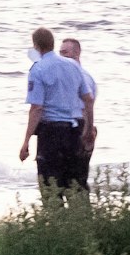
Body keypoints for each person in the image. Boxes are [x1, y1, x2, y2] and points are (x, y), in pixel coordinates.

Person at [18, 26, 93, 202]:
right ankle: (81, 224)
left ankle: (55, 223)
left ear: (36, 46)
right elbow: (88, 99)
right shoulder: (73, 66)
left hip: (51, 132)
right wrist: (88, 130)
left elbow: (37, 108)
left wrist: (26, 141)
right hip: (75, 130)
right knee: (75, 184)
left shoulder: (38, 69)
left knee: (51, 186)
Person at [59, 36, 98, 189]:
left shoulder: (83, 77)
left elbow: (87, 106)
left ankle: (81, 212)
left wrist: (88, 133)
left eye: (65, 53)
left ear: (77, 54)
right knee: (67, 180)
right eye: (60, 53)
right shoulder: (69, 76)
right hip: (72, 130)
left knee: (77, 182)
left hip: (81, 131)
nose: (61, 57)